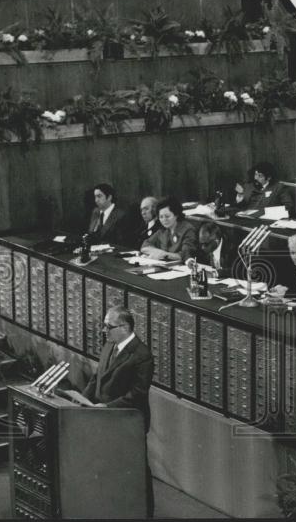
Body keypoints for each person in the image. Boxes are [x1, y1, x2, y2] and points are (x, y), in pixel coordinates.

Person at [80, 305, 154, 516]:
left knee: (135, 468)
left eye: (108, 326)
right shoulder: (109, 346)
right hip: (104, 417)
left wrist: (108, 407)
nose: (104, 330)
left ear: (124, 327)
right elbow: (97, 377)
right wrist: (83, 400)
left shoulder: (141, 355)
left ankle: (144, 513)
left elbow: (138, 393)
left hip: (127, 420)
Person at [141, 197, 198, 262]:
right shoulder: (163, 230)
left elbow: (186, 255)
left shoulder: (188, 229)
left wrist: (164, 254)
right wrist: (159, 252)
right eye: (161, 217)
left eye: (167, 216)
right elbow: (145, 245)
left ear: (176, 214)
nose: (164, 220)